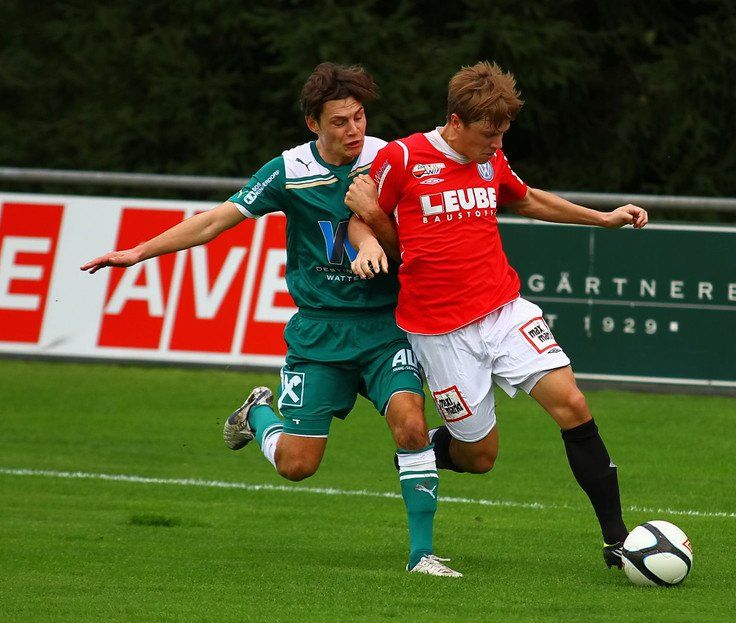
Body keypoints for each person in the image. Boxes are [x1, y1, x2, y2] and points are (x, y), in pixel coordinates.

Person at [80, 63, 460, 578]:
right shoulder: (288, 171)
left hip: (386, 328)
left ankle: (422, 556)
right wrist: (138, 252)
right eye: (339, 121)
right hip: (320, 333)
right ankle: (257, 413)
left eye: (359, 117)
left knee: (412, 425)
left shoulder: (389, 160)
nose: (354, 130)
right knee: (297, 466)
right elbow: (215, 220)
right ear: (312, 124)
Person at [346, 61, 649, 569]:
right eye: (489, 134)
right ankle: (428, 450)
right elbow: (359, 219)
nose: (497, 143)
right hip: (440, 332)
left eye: (503, 133)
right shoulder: (403, 157)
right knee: (480, 458)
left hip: (503, 310)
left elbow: (525, 199)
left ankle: (617, 541)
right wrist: (367, 244)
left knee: (572, 403)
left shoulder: (491, 159)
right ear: (456, 121)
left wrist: (602, 218)